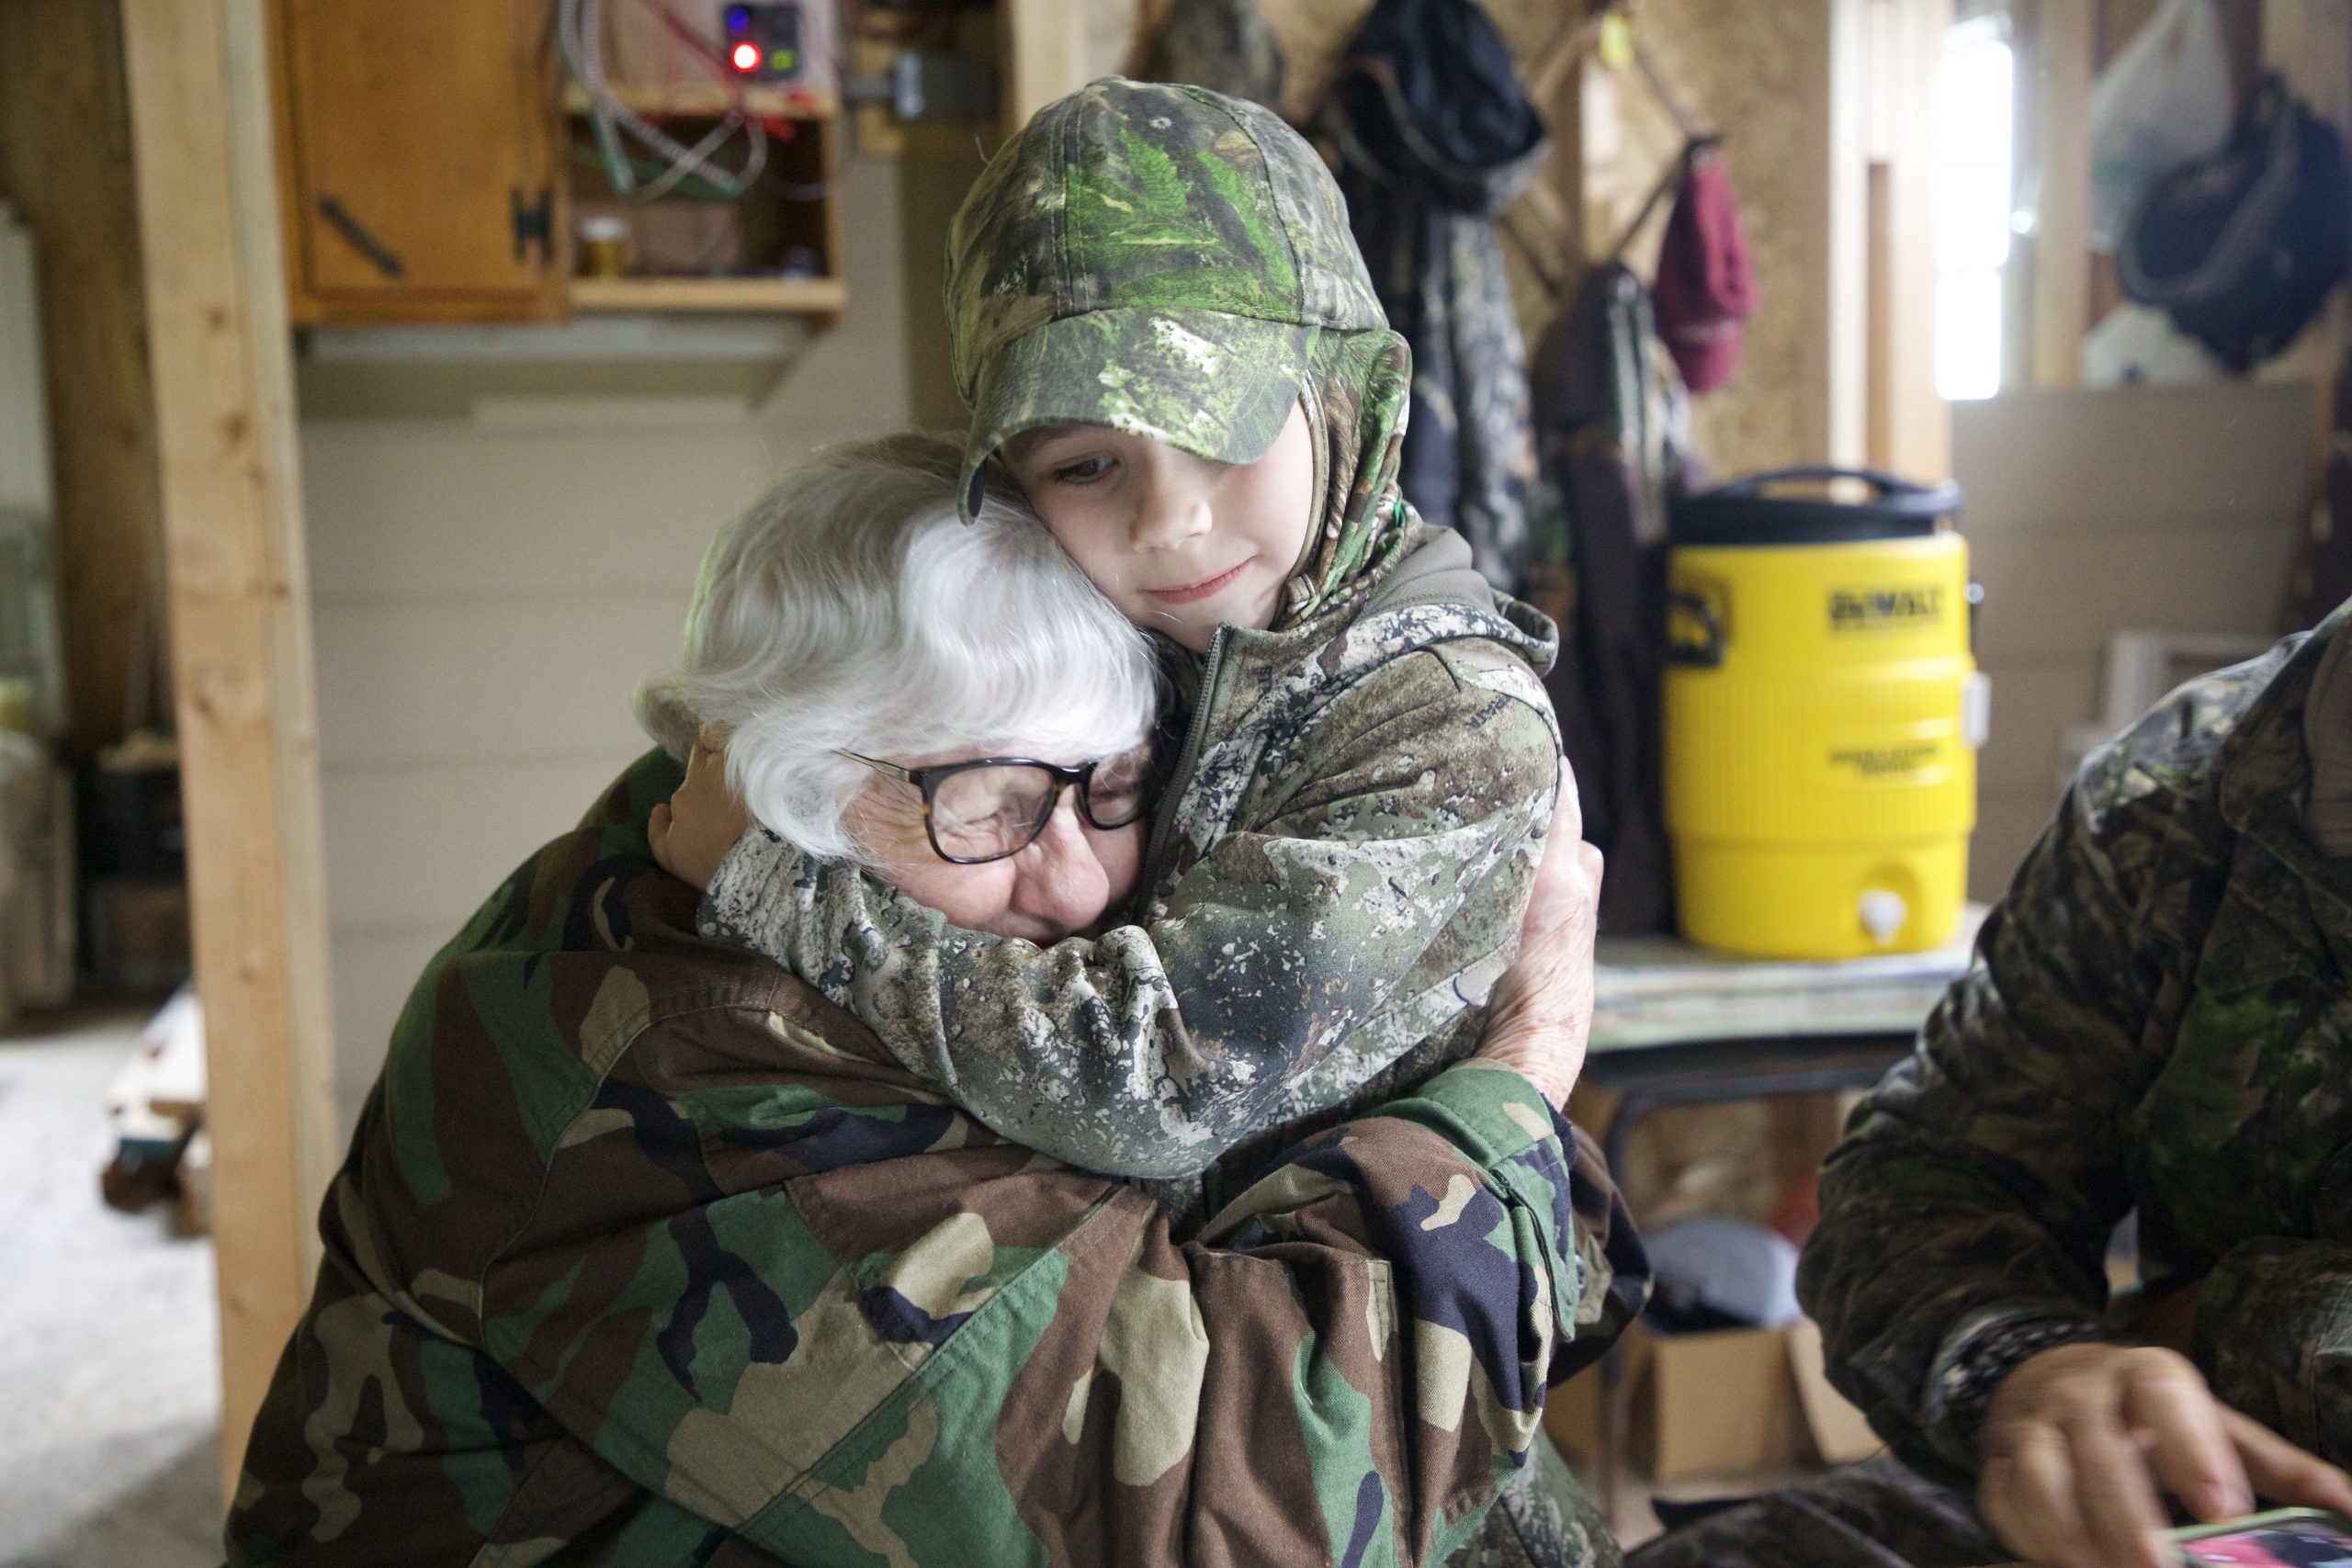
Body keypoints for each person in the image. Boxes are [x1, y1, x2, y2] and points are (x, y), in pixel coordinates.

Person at [226, 434, 1639, 1567]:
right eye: (990, 803)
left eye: (1115, 787)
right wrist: (1519, 1071)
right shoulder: (666, 1073)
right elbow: (1245, 1503)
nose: (1080, 886)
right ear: (788, 786)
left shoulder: (762, 875)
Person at [658, 79, 1569, 1243]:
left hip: (1348, 1331)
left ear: (1352, 397)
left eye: (1221, 433)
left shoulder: (1447, 725)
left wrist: (774, 887)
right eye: (1086, 465)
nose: (1166, 521)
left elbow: (1158, 1083)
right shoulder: (1147, 617)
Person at [1629, 600, 2352, 1568]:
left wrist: (2236, 1329)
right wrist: (2029, 1366)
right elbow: (1927, 1185)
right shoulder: (2182, 794)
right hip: (2204, 1509)